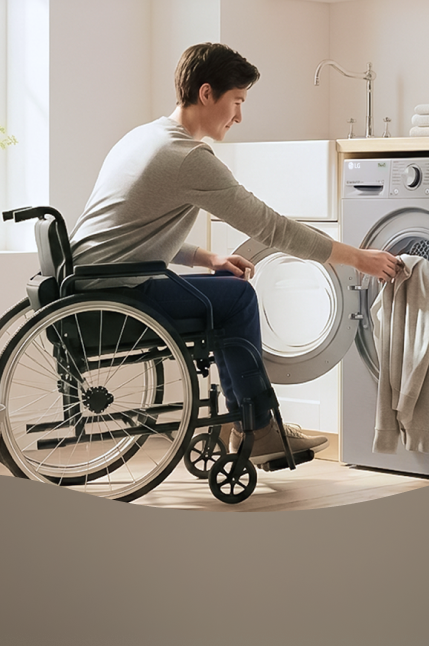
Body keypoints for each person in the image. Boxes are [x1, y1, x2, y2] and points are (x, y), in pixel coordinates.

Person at [70, 43, 398, 465]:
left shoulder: (145, 136)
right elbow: (270, 227)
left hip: (90, 283)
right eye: (237, 101)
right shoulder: (188, 157)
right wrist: (355, 258)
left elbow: (131, 235)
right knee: (239, 297)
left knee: (226, 286)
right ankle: (256, 428)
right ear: (207, 94)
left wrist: (208, 259)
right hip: (117, 296)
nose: (239, 116)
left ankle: (240, 419)